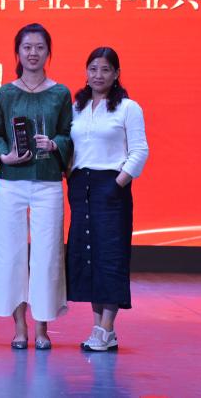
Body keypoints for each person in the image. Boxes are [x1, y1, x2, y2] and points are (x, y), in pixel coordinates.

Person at [0, 23, 72, 350]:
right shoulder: (6, 93)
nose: (33, 53)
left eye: (39, 47)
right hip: (11, 182)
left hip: (48, 182)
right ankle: (19, 326)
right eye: (27, 47)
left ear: (48, 52)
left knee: (47, 255)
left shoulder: (60, 93)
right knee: (11, 253)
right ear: (17, 53)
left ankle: (42, 327)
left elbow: (68, 134)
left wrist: (55, 144)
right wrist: (3, 155)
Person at [66, 47, 149, 352]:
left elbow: (139, 150)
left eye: (105, 69)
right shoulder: (76, 108)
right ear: (86, 73)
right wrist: (70, 174)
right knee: (88, 256)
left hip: (111, 187)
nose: (98, 75)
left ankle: (107, 327)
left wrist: (118, 183)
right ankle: (99, 328)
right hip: (81, 187)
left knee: (110, 257)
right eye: (93, 69)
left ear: (116, 74)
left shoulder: (128, 108)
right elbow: (71, 147)